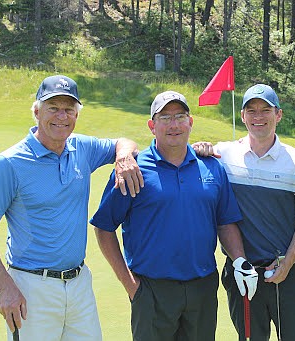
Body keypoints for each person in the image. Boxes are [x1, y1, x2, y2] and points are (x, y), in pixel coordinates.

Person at [0, 75, 144, 340]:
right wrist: (4, 287)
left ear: (77, 114)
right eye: (53, 107)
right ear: (36, 111)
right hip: (31, 289)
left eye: (69, 109)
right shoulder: (9, 163)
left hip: (79, 285)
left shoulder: (81, 148)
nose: (61, 116)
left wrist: (124, 156)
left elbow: (122, 142)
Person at [89, 90, 258, 341]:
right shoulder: (133, 169)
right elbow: (104, 228)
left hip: (202, 287)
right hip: (151, 289)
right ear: (152, 126)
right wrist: (130, 285)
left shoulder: (211, 166)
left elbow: (225, 221)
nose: (174, 124)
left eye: (180, 116)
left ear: (190, 122)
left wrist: (240, 260)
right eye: (164, 117)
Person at [194, 84, 295, 341]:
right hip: (241, 271)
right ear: (242, 116)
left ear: (278, 115)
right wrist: (198, 150)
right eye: (251, 111)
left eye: (265, 110)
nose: (258, 116)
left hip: (286, 272)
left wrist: (288, 261)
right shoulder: (223, 155)